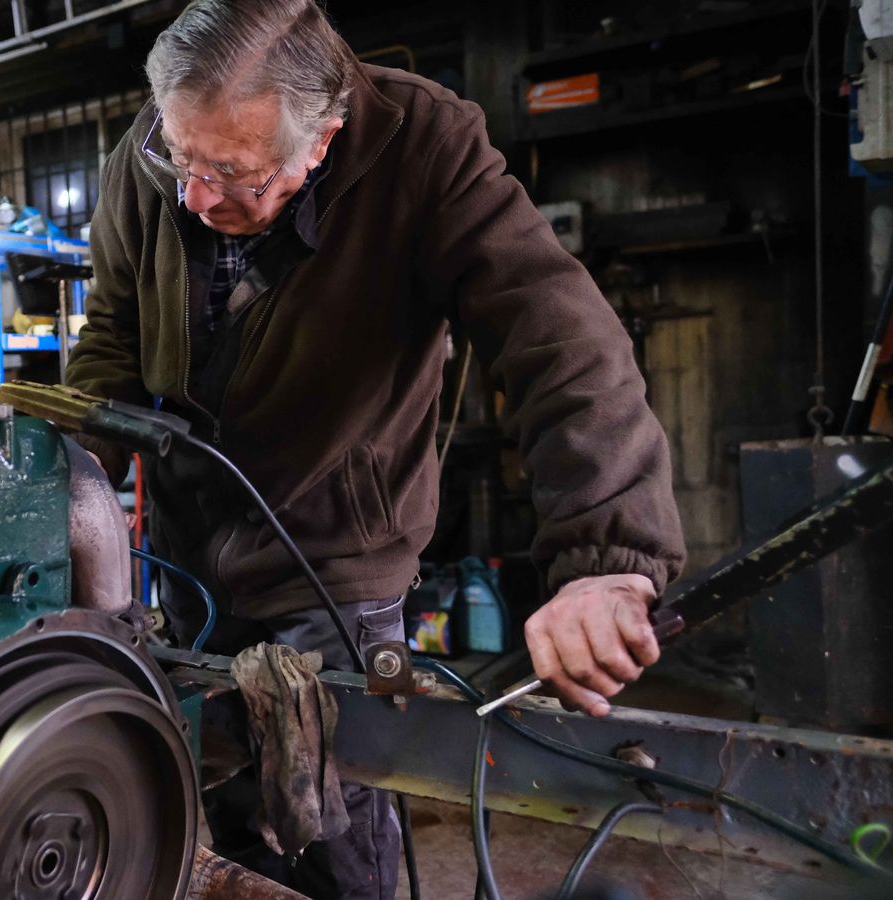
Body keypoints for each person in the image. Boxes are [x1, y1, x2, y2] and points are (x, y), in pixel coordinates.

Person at [63, 1, 688, 898]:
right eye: (183, 163)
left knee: (334, 833)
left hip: (336, 564)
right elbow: (115, 335)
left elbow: (560, 340)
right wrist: (49, 470)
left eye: (234, 176)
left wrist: (603, 558)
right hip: (189, 556)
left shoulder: (423, 148)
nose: (195, 199)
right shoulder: (157, 150)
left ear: (320, 143)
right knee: (210, 822)